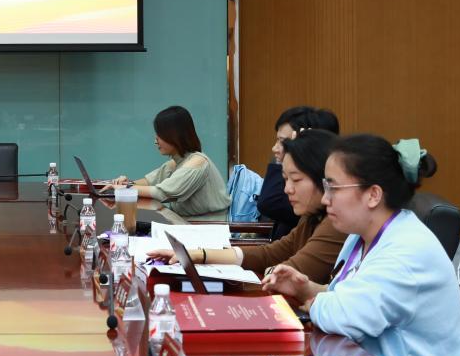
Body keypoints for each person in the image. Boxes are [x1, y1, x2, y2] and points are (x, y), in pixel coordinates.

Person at [261, 134, 460, 356]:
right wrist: (304, 288)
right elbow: (346, 297)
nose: (325, 198)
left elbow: (344, 316)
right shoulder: (360, 236)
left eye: (333, 187)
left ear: (373, 195)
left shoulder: (407, 252)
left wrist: (316, 302)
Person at [147, 129, 347, 283]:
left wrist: (267, 272)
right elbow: (271, 253)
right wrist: (199, 255)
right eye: (285, 179)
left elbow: (288, 274)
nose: (287, 189)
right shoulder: (312, 215)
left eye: (296, 180)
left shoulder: (335, 222)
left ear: (324, 179)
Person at [109, 105, 231, 222]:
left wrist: (125, 189)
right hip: (185, 222)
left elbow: (161, 193)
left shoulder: (197, 162)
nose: (156, 141)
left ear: (175, 135)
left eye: (160, 135)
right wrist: (127, 183)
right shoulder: (178, 161)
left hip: (207, 226)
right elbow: (150, 182)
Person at [258, 106, 340, 239]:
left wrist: (294, 152)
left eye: (283, 142)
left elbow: (269, 203)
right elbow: (280, 249)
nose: (275, 148)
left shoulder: (331, 218)